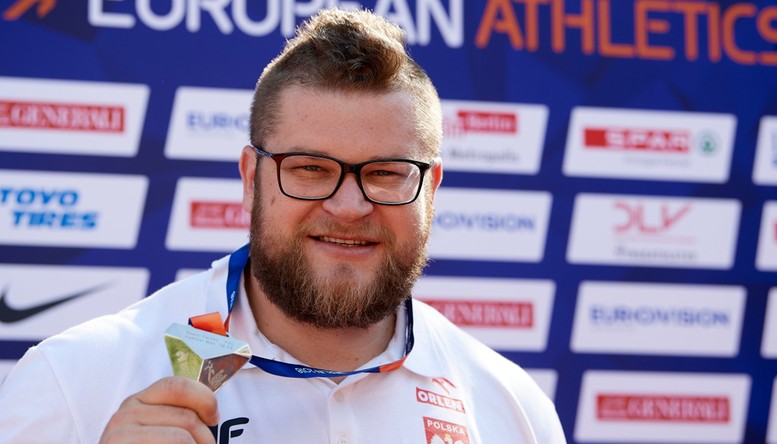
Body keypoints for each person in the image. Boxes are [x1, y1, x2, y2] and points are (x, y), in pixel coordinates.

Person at [0, 8, 565, 443]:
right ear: (252, 178)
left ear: (431, 188)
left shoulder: (513, 408)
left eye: (386, 173)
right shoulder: (75, 381)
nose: (349, 206)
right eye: (310, 169)